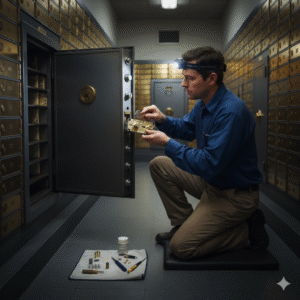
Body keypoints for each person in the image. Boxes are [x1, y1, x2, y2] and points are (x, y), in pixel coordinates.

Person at [140, 46, 269, 260]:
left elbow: (209, 163)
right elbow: (186, 128)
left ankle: (246, 229)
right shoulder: (204, 104)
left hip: (235, 196)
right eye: (184, 78)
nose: (183, 84)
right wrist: (162, 119)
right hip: (212, 184)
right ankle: (182, 223)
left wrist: (168, 143)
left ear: (211, 78)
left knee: (181, 248)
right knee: (159, 164)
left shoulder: (231, 112)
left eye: (190, 78)